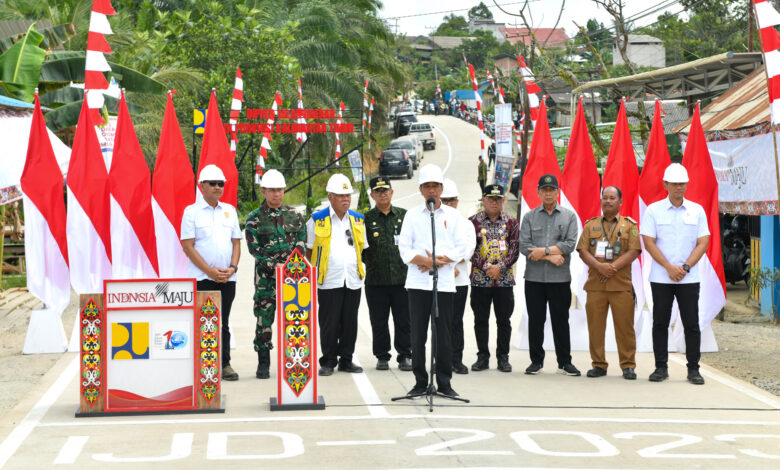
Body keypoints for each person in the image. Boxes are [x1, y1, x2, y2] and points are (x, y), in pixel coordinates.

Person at [399, 164, 470, 398]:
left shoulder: (453, 215)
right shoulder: (412, 215)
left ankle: (445, 383)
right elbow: (405, 250)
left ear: (441, 188)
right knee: (418, 335)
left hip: (445, 284)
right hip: (418, 285)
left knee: (443, 335)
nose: (431, 190)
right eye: (427, 186)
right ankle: (420, 382)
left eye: (435, 186)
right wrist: (427, 261)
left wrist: (439, 261)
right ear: (421, 190)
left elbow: (462, 247)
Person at [640, 163, 709, 385]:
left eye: (683, 183)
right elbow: (648, 242)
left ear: (687, 184)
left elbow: (702, 242)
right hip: (661, 277)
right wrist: (669, 267)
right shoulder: (653, 210)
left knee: (691, 323)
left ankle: (693, 369)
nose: (679, 187)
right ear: (665, 185)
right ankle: (661, 367)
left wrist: (685, 267)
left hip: (689, 278)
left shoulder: (697, 210)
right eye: (675, 184)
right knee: (660, 322)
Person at [181, 164, 242, 381]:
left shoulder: (230, 211)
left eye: (221, 184)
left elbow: (236, 243)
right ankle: (203, 366)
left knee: (223, 321)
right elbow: (188, 246)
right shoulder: (191, 213)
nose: (217, 187)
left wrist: (232, 268)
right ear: (202, 186)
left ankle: (224, 364)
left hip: (228, 277)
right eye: (213, 184)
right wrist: (210, 271)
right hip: (203, 278)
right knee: (204, 321)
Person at [244, 169, 306, 379]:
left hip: (292, 279)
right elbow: (254, 249)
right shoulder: (254, 218)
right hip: (265, 281)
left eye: (279, 190)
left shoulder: (295, 214)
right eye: (272, 190)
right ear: (264, 191)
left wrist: (288, 267)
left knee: (294, 320)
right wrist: (273, 267)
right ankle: (263, 363)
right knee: (264, 320)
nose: (276, 194)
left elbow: (301, 244)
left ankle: (294, 360)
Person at [306, 173, 368, 376]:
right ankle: (328, 360)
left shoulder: (358, 220)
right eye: (341, 195)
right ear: (330, 197)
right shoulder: (317, 220)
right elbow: (308, 250)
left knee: (350, 322)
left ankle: (347, 359)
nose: (346, 199)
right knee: (329, 322)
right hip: (328, 280)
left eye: (348, 195)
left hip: (352, 278)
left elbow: (362, 248)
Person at [519, 174, 580, 377]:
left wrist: (543, 252)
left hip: (560, 279)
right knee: (535, 320)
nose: (548, 193)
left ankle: (565, 362)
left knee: (560, 320)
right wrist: (551, 257)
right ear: (538, 192)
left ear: (557, 192)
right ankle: (536, 361)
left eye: (551, 190)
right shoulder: (529, 217)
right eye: (544, 190)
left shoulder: (569, 216)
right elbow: (525, 247)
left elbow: (570, 245)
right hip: (534, 279)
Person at [577, 186, 641, 380]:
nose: (608, 201)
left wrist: (611, 267)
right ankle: (598, 364)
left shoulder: (630, 226)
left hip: (621, 285)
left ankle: (628, 365)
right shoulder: (591, 225)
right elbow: (582, 250)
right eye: (605, 198)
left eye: (612, 198)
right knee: (596, 328)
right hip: (596, 285)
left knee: (625, 329)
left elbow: (634, 250)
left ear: (620, 202)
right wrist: (599, 266)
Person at [362, 176, 413, 372]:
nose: (382, 194)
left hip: (402, 278)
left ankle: (405, 355)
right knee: (378, 320)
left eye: (386, 190)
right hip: (376, 280)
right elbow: (362, 249)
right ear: (372, 195)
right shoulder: (366, 219)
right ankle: (382, 356)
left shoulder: (404, 215)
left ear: (392, 192)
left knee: (404, 319)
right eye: (378, 191)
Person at [469, 184, 520, 373]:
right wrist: (486, 267)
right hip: (480, 281)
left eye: (498, 199)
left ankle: (503, 357)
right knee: (480, 319)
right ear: (483, 200)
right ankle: (482, 356)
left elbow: (515, 249)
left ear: (503, 201)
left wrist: (500, 267)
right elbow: (469, 249)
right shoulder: (473, 222)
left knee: (504, 320)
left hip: (504, 281)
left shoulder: (511, 222)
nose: (494, 202)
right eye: (490, 198)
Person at [440, 178, 477, 374]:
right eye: (444, 200)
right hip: (437, 281)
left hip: (459, 281)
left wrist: (449, 263)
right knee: (439, 323)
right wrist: (447, 266)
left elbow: (467, 252)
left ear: (457, 201)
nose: (448, 204)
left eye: (451, 200)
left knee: (455, 322)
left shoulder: (466, 224)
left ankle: (456, 360)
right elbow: (431, 250)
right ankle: (440, 360)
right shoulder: (434, 221)